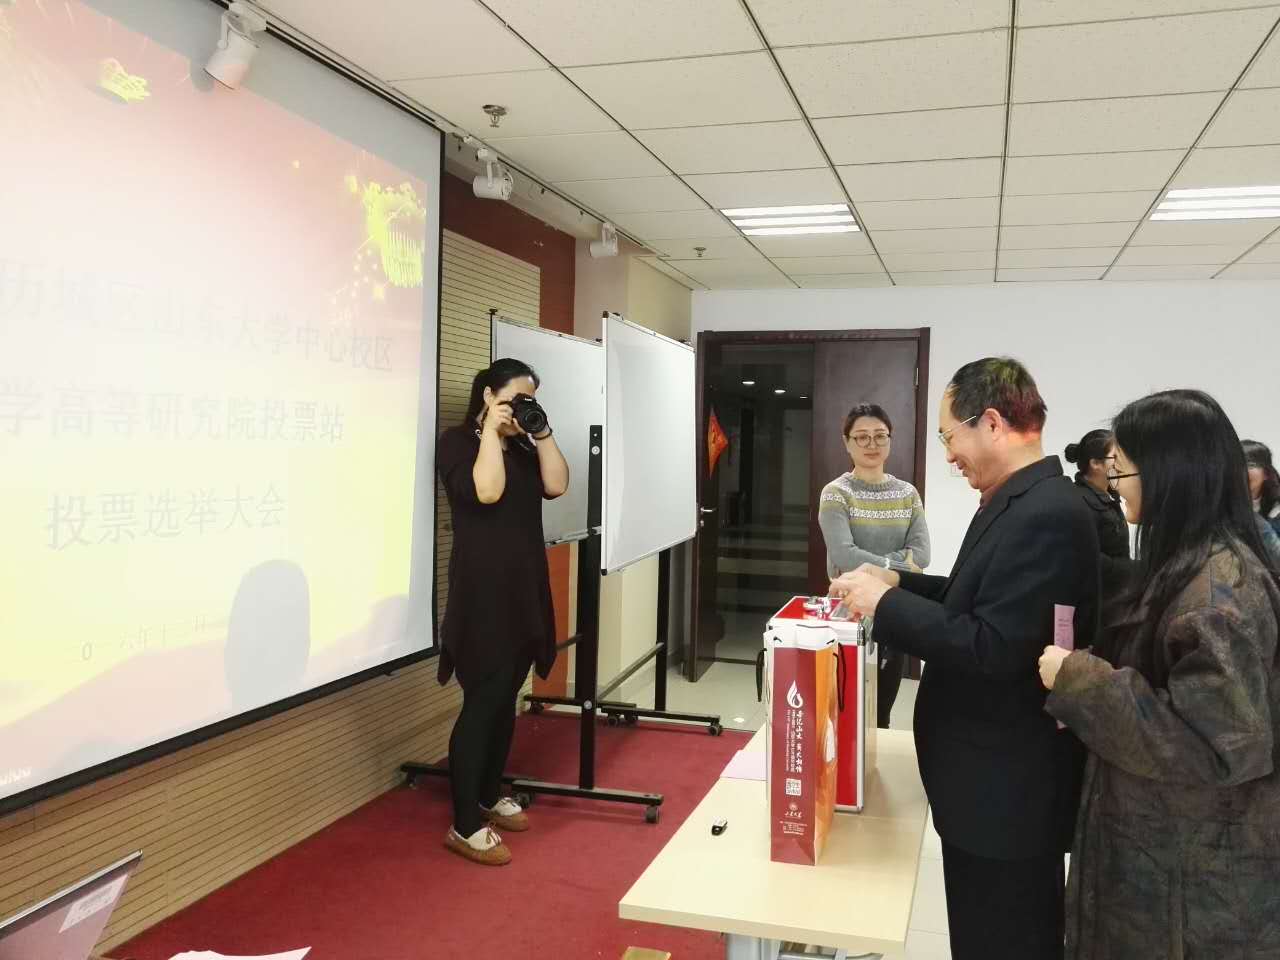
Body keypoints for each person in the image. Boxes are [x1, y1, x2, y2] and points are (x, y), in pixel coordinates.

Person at [831, 357, 1099, 960]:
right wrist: (896, 581)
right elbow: (973, 599)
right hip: (987, 783)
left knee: (1004, 938)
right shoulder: (1017, 500)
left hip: (1005, 792)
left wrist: (884, 605)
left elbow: (993, 645)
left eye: (949, 436)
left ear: (993, 423)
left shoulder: (1047, 513)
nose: (949, 456)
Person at [1039, 390, 1280, 958]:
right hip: (1170, 857)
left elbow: (1215, 746)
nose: (1115, 483)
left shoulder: (1217, 594)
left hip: (1191, 893)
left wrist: (1079, 679)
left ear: (1170, 474)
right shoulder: (1193, 564)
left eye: (1122, 468)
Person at [436, 358, 569, 866]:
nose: (522, 408)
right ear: (488, 396)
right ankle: (465, 825)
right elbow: (486, 492)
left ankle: (489, 794)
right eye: (515, 399)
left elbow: (556, 485)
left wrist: (542, 432)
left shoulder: (523, 446)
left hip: (524, 590)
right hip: (482, 595)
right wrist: (491, 431)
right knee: (483, 701)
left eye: (530, 400)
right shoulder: (457, 443)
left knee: (507, 696)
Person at [818, 402, 930, 727]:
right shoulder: (836, 494)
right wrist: (898, 565)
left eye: (880, 435)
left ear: (890, 439)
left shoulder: (907, 494)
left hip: (893, 610)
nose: (872, 444)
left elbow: (922, 554)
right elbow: (844, 556)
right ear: (847, 442)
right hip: (847, 610)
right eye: (862, 436)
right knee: (842, 712)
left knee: (881, 712)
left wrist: (874, 566)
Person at [1244, 439, 1280, 535]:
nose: (1241, 471)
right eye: (1236, 465)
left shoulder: (1276, 510)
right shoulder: (1217, 504)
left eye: (1250, 465)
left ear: (1266, 474)